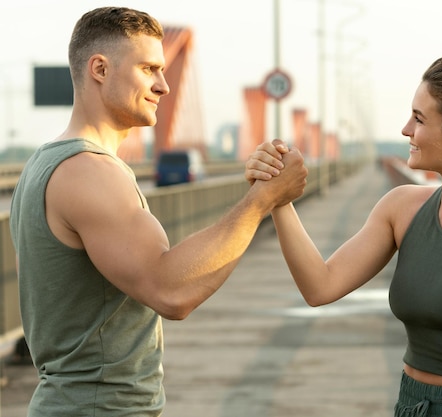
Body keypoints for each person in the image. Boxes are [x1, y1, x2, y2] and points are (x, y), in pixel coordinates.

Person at [9, 7, 306, 417]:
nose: (164, 86)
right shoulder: (88, 172)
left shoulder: (47, 162)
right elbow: (171, 291)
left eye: (164, 70)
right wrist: (261, 201)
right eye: (149, 68)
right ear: (99, 68)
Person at [246, 56, 442, 416]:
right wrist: (277, 197)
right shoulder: (401, 208)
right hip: (411, 405)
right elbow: (320, 286)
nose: (405, 129)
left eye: (419, 118)